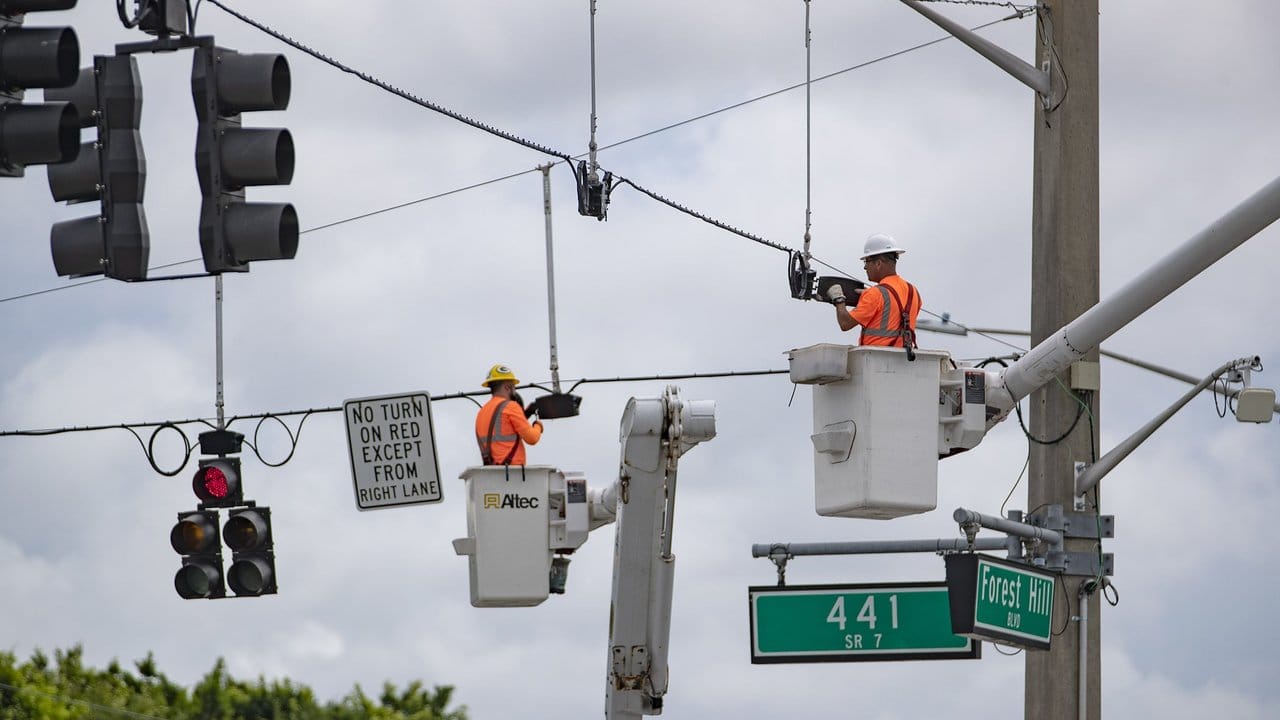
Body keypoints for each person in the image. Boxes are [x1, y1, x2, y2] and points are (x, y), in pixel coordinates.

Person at [827, 233, 922, 353]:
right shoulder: (913, 292)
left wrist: (839, 299)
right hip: (903, 363)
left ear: (878, 263)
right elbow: (895, 316)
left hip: (875, 363)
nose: (865, 267)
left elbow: (845, 323)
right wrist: (871, 298)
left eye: (867, 261)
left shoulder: (875, 294)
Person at [475, 364, 544, 465]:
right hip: (512, 473)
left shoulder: (482, 411)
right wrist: (538, 426)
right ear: (507, 387)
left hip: (491, 473)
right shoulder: (511, 407)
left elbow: (505, 429)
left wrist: (525, 415)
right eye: (514, 387)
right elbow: (532, 438)